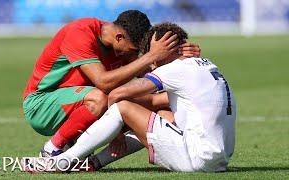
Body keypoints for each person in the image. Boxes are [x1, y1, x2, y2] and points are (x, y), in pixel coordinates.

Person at [49, 22, 236, 172]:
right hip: (218, 160)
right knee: (163, 115)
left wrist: (117, 134)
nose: (152, 62)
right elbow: (155, 101)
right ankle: (93, 163)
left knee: (122, 107)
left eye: (154, 54)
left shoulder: (175, 70)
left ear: (165, 50)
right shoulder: (206, 65)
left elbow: (116, 94)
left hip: (196, 159)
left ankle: (64, 160)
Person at [22, 10, 201, 157]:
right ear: (119, 38)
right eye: (133, 51)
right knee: (99, 98)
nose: (134, 55)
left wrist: (179, 58)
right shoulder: (80, 32)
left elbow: (151, 77)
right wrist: (151, 56)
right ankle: (51, 150)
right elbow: (103, 83)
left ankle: (89, 159)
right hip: (41, 104)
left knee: (155, 106)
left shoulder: (122, 45)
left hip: (77, 102)